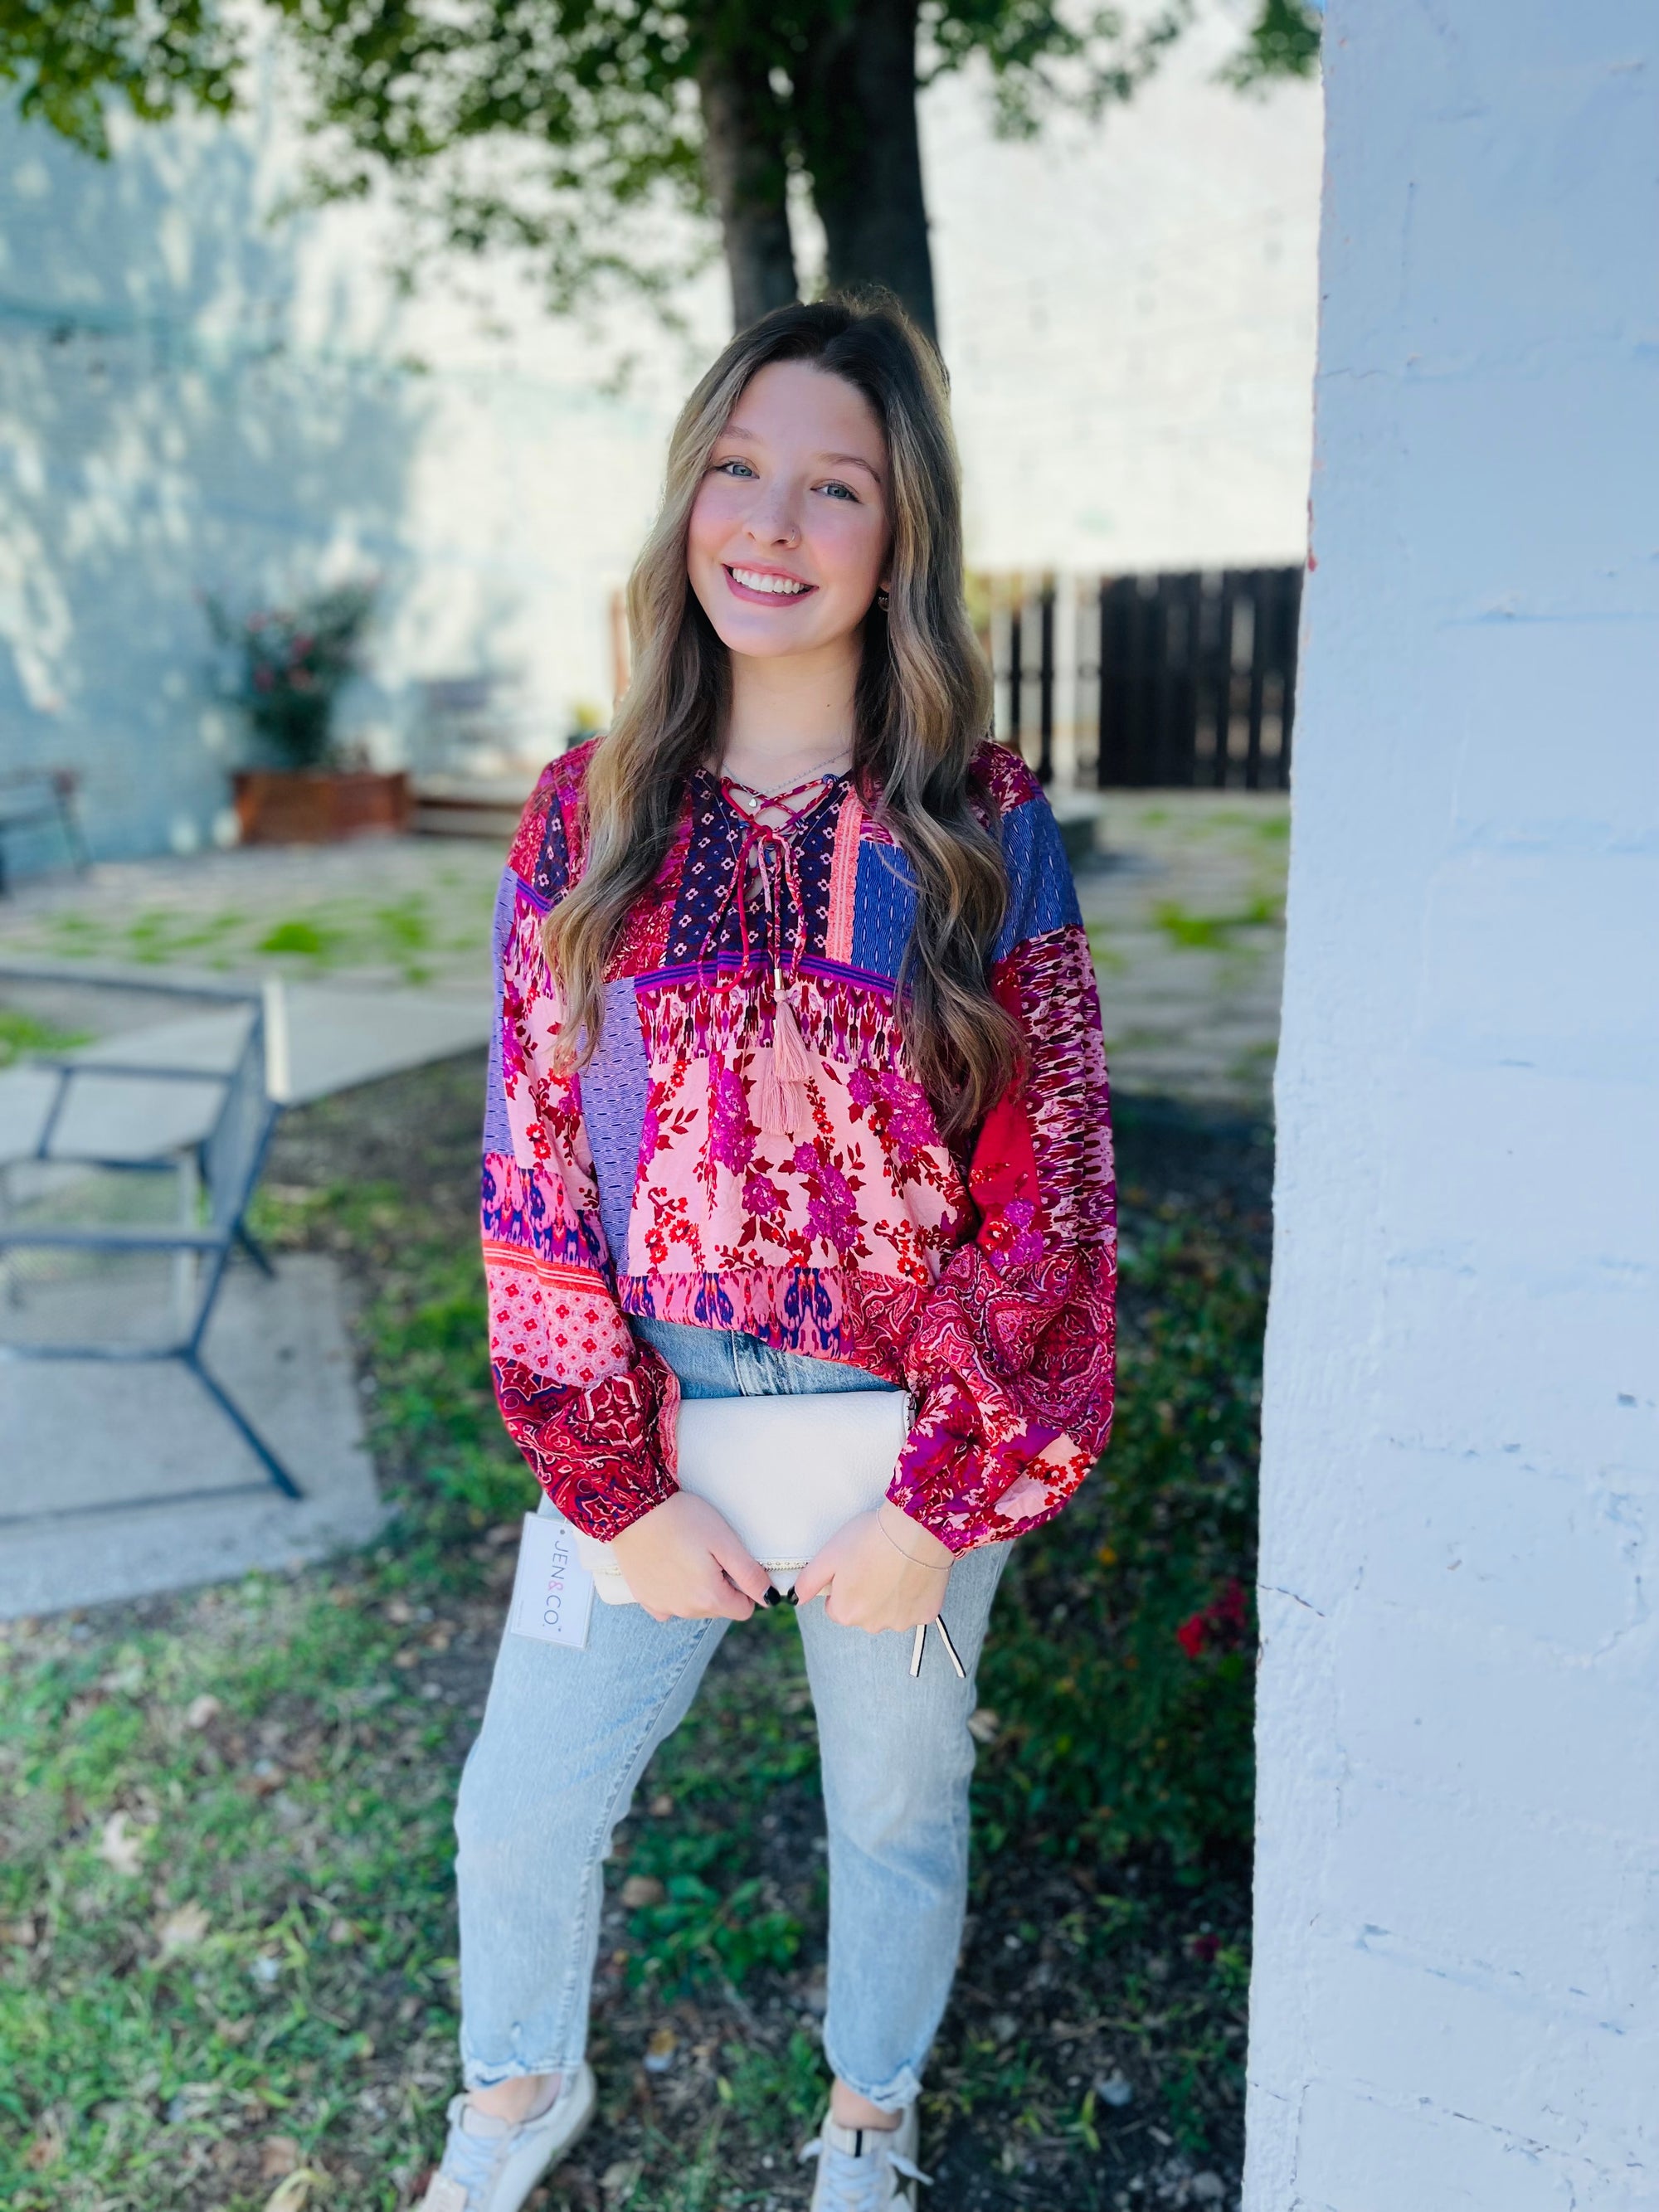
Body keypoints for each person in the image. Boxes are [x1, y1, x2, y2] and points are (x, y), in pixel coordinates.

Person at [420, 294, 1117, 2212]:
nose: (772, 523)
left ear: (899, 539)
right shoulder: (583, 817)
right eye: (737, 466)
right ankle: (514, 2095)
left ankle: (867, 2118)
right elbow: (530, 1165)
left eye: (834, 485)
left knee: (893, 1809)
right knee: (522, 1802)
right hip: (649, 1416)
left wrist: (938, 1501)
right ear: (686, 497)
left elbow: (1046, 1188)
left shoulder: (979, 832)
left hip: (904, 1444)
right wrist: (613, 1484)